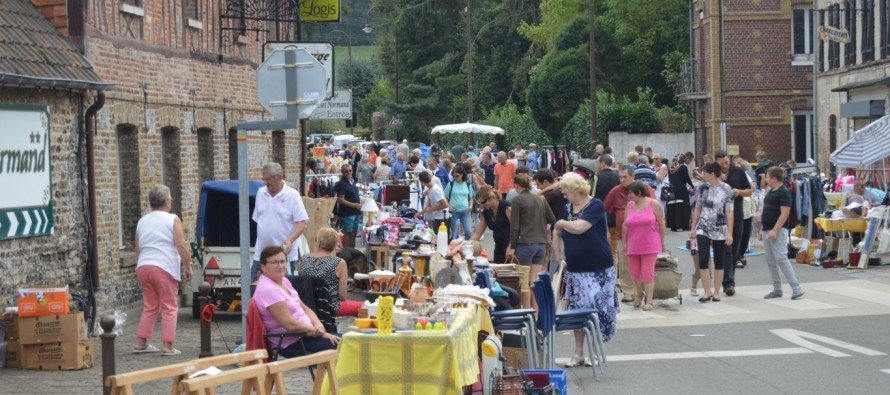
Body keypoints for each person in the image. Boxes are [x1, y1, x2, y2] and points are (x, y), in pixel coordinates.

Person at [552, 172, 617, 368]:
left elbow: (580, 227)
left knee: (598, 310)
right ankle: (578, 352)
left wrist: (562, 224)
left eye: (566, 192)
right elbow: (556, 232)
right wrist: (559, 257)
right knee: (577, 311)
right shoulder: (566, 208)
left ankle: (594, 352)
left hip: (598, 268)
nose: (564, 196)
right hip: (576, 269)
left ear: (576, 189)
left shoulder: (595, 205)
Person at [133, 184, 193, 356]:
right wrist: (188, 266)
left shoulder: (142, 221)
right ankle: (167, 346)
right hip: (164, 266)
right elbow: (181, 245)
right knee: (169, 306)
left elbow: (138, 247)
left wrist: (142, 264)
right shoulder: (172, 219)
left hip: (144, 265)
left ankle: (141, 342)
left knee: (150, 306)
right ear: (167, 201)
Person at [253, 246, 341, 358]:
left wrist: (318, 324)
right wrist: (321, 333)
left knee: (352, 340)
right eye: (274, 262)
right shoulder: (269, 290)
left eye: (282, 261)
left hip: (306, 336)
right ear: (263, 267)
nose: (280, 266)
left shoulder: (283, 280)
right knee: (348, 346)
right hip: (291, 343)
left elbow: (305, 308)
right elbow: (291, 325)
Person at [252, 163, 309, 282]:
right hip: (261, 255)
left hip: (283, 257)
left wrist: (290, 240)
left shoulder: (292, 195)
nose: (265, 183)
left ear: (279, 177)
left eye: (268, 179)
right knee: (255, 291)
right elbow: (259, 220)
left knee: (285, 292)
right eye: (264, 179)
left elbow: (302, 222)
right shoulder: (260, 193)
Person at [604, 166, 654, 302]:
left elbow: (655, 207)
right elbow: (605, 209)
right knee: (626, 266)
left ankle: (643, 291)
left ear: (633, 176)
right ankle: (628, 292)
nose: (622, 180)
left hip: (645, 235)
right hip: (623, 235)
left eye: (624, 177)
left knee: (645, 266)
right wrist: (607, 230)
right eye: (620, 177)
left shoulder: (644, 188)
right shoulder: (616, 191)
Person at [509, 173, 556, 311]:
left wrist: (512, 246)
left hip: (525, 243)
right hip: (541, 243)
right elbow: (552, 218)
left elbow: (515, 226)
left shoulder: (518, 200)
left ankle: (527, 312)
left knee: (524, 282)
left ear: (517, 185)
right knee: (534, 281)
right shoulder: (540, 199)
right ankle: (537, 312)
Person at [689, 162, 734, 302]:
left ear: (712, 174)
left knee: (719, 260)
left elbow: (730, 212)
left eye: (705, 173)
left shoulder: (726, 189)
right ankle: (707, 292)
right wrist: (693, 228)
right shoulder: (702, 188)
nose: (702, 175)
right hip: (703, 226)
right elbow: (697, 208)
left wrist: (730, 233)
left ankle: (716, 292)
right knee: (703, 258)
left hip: (720, 227)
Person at [297, 228, 365, 316]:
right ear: (335, 245)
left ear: (319, 243)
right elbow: (342, 296)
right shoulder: (339, 262)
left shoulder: (304, 259)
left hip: (305, 305)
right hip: (329, 307)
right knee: (365, 306)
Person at [761, 166, 805, 300]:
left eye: (767, 177)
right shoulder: (771, 191)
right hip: (767, 229)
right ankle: (777, 288)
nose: (766, 179)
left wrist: (775, 230)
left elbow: (785, 213)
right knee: (770, 260)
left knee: (781, 258)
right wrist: (763, 228)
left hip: (778, 230)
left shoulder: (784, 192)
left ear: (774, 178)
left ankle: (796, 287)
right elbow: (766, 210)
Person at [622, 182, 666, 311]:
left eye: (631, 193)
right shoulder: (630, 205)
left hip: (650, 243)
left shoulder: (654, 204)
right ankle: (639, 293)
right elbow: (625, 224)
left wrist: (661, 241)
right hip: (633, 243)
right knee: (634, 272)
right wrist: (624, 242)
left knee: (648, 272)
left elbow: (661, 223)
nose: (629, 196)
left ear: (639, 193)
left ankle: (650, 300)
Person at [716, 150, 754, 296]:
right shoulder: (714, 174)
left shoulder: (738, 172)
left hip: (737, 216)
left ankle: (729, 282)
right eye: (721, 164)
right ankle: (727, 282)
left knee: (734, 251)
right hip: (719, 219)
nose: (724, 166)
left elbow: (750, 191)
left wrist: (739, 192)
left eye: (726, 162)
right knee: (725, 251)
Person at [471, 185, 512, 263]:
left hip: (511, 247)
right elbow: (477, 234)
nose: (481, 206)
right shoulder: (486, 212)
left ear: (491, 197)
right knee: (497, 272)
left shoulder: (505, 206)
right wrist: (467, 245)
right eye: (479, 204)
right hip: (499, 247)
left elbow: (516, 228)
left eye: (483, 202)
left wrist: (511, 247)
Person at [334, 164, 364, 249]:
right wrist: (354, 205)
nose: (349, 172)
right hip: (347, 213)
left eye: (350, 170)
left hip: (355, 212)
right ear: (342, 172)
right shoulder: (341, 183)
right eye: (346, 171)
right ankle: (347, 254)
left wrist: (360, 202)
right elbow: (340, 199)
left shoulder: (352, 181)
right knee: (347, 233)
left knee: (354, 233)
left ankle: (352, 252)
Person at [445, 166, 476, 240]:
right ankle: (455, 248)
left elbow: (471, 198)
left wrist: (470, 206)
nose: (455, 178)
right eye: (453, 176)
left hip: (465, 210)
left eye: (457, 176)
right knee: (455, 233)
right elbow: (445, 197)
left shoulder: (468, 185)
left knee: (468, 232)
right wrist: (448, 206)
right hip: (454, 211)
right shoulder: (450, 184)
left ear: (462, 174)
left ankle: (467, 247)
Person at [667, 154, 695, 231]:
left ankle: (673, 226)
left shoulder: (670, 167)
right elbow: (687, 178)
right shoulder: (683, 167)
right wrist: (692, 186)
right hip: (681, 189)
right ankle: (681, 225)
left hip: (671, 189)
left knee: (672, 207)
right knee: (681, 207)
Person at [416, 170, 450, 235]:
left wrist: (431, 209)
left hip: (442, 218)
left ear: (422, 182)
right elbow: (429, 205)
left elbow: (445, 204)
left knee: (440, 239)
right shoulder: (431, 189)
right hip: (437, 217)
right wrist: (419, 213)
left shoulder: (435, 189)